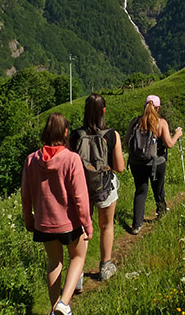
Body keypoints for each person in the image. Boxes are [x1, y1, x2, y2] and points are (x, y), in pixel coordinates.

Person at [21, 112, 92, 315]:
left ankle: (54, 308)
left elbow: (25, 196)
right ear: (66, 132)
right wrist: (87, 224)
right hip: (69, 222)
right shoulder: (72, 159)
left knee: (54, 261)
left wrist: (29, 220)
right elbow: (80, 198)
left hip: (43, 222)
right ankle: (64, 303)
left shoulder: (30, 160)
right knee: (78, 256)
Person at [70, 93, 124, 283]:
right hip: (104, 187)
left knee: (82, 228)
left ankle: (77, 275)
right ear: (104, 111)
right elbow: (120, 167)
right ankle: (105, 266)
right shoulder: (111, 135)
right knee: (106, 225)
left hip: (80, 190)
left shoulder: (76, 135)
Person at [123, 94, 183, 234]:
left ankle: (137, 225)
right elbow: (169, 144)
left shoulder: (135, 122)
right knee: (158, 189)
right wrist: (177, 135)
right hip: (156, 163)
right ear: (158, 107)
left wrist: (135, 155)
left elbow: (126, 142)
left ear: (145, 106)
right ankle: (161, 214)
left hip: (136, 163)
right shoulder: (161, 123)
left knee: (140, 191)